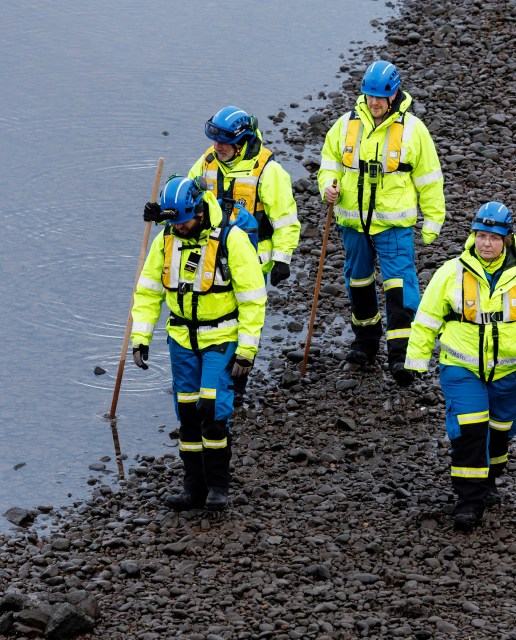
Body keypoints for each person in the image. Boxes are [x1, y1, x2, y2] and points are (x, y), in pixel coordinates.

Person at [404, 202, 516, 532]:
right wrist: (414, 362)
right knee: (470, 430)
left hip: (511, 370)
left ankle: (489, 480)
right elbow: (427, 319)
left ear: (507, 239)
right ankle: (468, 501)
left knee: (501, 432)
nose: (485, 243)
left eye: (493, 237)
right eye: (480, 236)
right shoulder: (450, 273)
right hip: (461, 368)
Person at [132, 176, 266, 512]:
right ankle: (193, 489)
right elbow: (149, 292)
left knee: (213, 410)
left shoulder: (231, 241)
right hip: (181, 339)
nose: (179, 228)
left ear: (201, 213)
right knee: (188, 414)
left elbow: (252, 300)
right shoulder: (165, 239)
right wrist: (141, 338)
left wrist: (247, 351)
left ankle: (218, 487)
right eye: (173, 222)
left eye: (184, 221)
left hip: (221, 337)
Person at [318, 60, 446, 385]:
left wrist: (433, 220)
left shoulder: (414, 130)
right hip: (352, 222)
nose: (374, 102)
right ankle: (366, 340)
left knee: (400, 286)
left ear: (394, 95)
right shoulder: (345, 125)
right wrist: (327, 187)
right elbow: (329, 163)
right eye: (369, 95)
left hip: (394, 226)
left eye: (381, 96)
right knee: (358, 281)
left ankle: (402, 355)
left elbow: (429, 179)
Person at [190, 105, 300, 405]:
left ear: (242, 141)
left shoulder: (268, 171)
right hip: (209, 257)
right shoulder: (207, 162)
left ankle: (235, 384)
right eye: (215, 140)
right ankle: (207, 374)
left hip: (251, 261)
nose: (217, 146)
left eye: (224, 141)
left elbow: (286, 220)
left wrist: (282, 259)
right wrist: (163, 210)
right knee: (207, 315)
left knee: (242, 322)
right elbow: (187, 197)